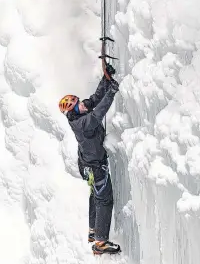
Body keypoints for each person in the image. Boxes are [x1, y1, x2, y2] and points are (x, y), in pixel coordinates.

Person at [58, 64, 121, 255]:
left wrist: (106, 79)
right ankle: (100, 243)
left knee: (95, 195)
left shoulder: (78, 113)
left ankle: (93, 231)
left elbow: (94, 100)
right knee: (104, 200)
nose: (82, 103)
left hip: (88, 165)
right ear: (73, 109)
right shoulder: (82, 123)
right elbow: (98, 113)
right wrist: (111, 92)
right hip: (95, 167)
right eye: (78, 103)